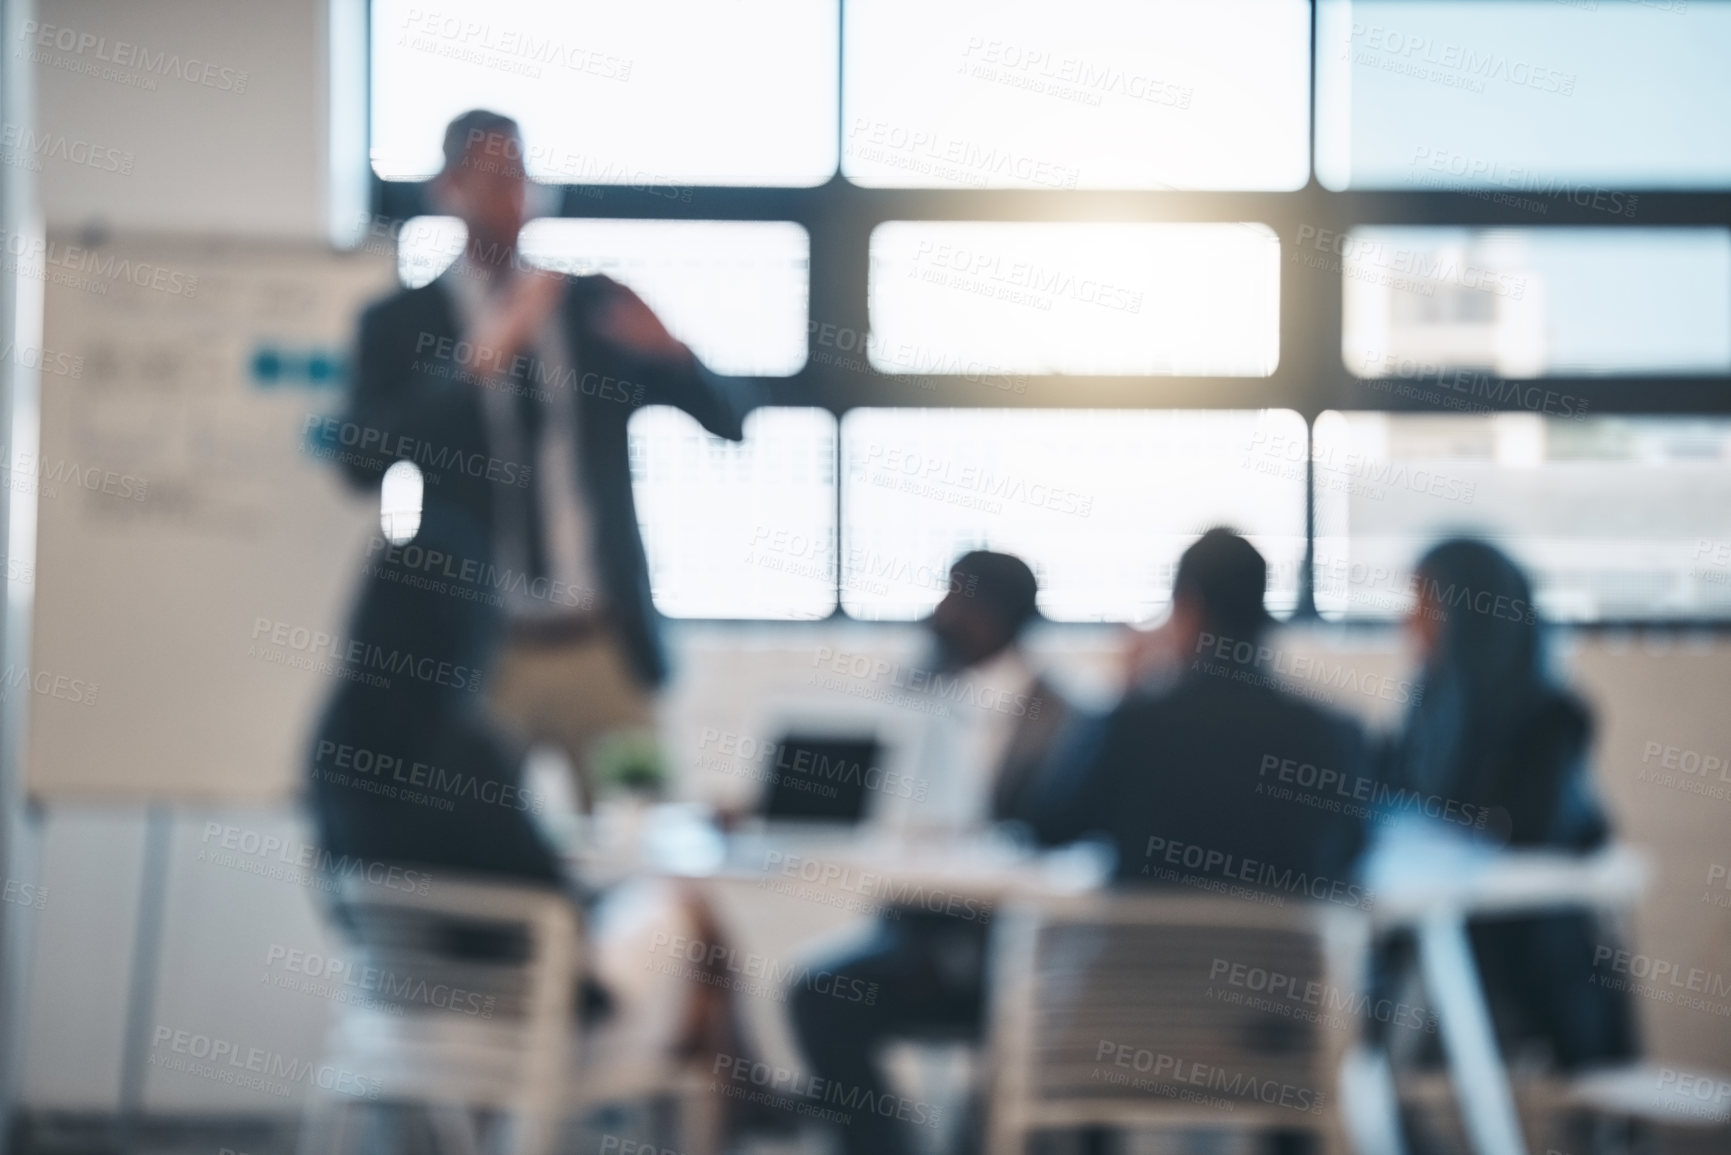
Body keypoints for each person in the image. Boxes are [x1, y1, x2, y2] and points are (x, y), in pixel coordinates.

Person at [308, 108, 755, 885]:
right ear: (444, 188)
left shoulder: (589, 306)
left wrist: (679, 354)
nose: (508, 194)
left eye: (518, 174)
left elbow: (730, 424)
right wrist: (474, 366)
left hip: (601, 648)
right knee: (479, 866)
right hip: (483, 652)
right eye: (486, 175)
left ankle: (623, 1000)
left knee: (647, 853)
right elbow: (359, 461)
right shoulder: (400, 322)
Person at [790, 551, 1076, 1155]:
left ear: (998, 613)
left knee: (1044, 1032)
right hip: (916, 939)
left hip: (1023, 945)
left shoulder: (1068, 715)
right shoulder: (912, 694)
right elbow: (855, 808)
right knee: (817, 994)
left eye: (958, 598)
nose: (942, 612)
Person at [1371, 539, 1637, 1077]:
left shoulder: (1552, 716)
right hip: (1430, 946)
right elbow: (1387, 802)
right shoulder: (1427, 709)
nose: (1409, 621)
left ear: (1468, 610)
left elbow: (1523, 828)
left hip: (1524, 953)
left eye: (1424, 604)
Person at [1028, 528, 1368, 893]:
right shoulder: (1332, 732)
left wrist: (1122, 693)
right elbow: (1351, 850)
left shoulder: (1132, 726)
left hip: (1145, 949)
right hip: (1281, 950)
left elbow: (1048, 826)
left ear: (1189, 609)